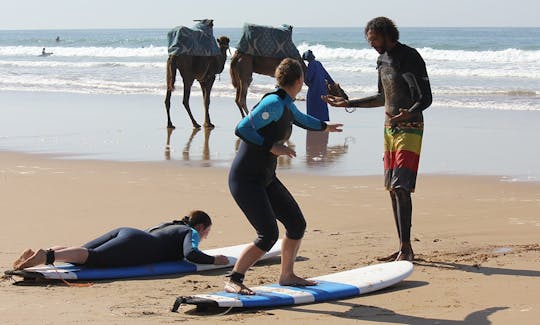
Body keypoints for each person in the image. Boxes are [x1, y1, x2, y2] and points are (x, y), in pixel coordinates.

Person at [225, 58, 343, 295]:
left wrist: (324, 126)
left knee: (296, 224)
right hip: (246, 179)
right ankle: (234, 279)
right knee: (268, 234)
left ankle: (287, 275)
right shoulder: (273, 103)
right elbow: (241, 128)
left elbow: (300, 119)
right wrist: (272, 146)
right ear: (299, 81)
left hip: (265, 177)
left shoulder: (286, 103)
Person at [323, 17, 432, 262]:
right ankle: (403, 246)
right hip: (389, 128)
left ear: (386, 34)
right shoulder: (381, 60)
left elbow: (426, 98)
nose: (371, 43)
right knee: (392, 189)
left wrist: (410, 112)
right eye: (369, 40)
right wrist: (348, 103)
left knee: (401, 186)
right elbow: (382, 97)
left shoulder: (410, 57)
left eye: (374, 39)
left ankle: (407, 249)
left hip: (411, 127)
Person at [12, 210, 229, 270]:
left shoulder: (170, 224)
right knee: (92, 258)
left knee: (79, 252)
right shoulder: (189, 232)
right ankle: (47, 256)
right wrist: (214, 260)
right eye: (206, 233)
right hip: (137, 243)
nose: (204, 237)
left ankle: (39, 253)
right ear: (200, 227)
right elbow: (191, 254)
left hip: (128, 233)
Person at [302, 50, 335, 121]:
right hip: (323, 89)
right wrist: (333, 83)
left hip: (314, 90)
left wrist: (304, 76)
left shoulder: (311, 64)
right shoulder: (318, 63)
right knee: (322, 107)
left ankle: (313, 123)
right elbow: (327, 75)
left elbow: (309, 78)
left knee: (313, 107)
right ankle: (324, 122)